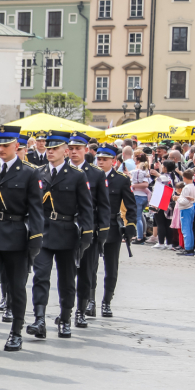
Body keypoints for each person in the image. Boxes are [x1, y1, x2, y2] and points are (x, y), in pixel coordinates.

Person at [0, 125, 42, 353]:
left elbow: (35, 209)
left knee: (16, 287)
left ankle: (15, 332)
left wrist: (35, 239)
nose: (0, 149)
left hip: (16, 234)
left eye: (5, 145)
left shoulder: (29, 172)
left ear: (16, 146)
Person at [28, 131, 93, 341]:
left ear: (65, 151)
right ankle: (39, 319)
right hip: (44, 231)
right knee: (41, 276)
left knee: (66, 280)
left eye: (54, 149)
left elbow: (86, 209)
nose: (50, 152)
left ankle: (65, 318)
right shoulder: (37, 173)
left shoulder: (77, 175)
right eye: (48, 148)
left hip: (66, 232)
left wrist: (86, 236)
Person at [88, 144, 136, 320]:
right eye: (98, 159)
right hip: (93, 225)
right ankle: (90, 300)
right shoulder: (89, 177)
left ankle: (106, 302)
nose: (100, 162)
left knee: (111, 267)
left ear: (113, 161)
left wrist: (130, 224)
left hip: (112, 227)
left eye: (104, 159)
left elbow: (131, 205)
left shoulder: (121, 180)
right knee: (90, 265)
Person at [68, 133, 110, 331]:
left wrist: (101, 233)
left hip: (87, 228)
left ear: (86, 150)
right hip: (65, 227)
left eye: (78, 148)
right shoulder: (62, 170)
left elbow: (103, 205)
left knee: (85, 272)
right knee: (67, 273)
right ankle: (66, 310)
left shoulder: (96, 174)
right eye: (71, 148)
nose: (74, 151)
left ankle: (81, 310)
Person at [176, 169, 195, 256]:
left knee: (186, 229)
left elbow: (184, 201)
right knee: (189, 229)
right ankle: (190, 247)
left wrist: (177, 198)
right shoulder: (192, 186)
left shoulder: (186, 187)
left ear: (184, 178)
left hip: (186, 209)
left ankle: (188, 248)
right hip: (190, 208)